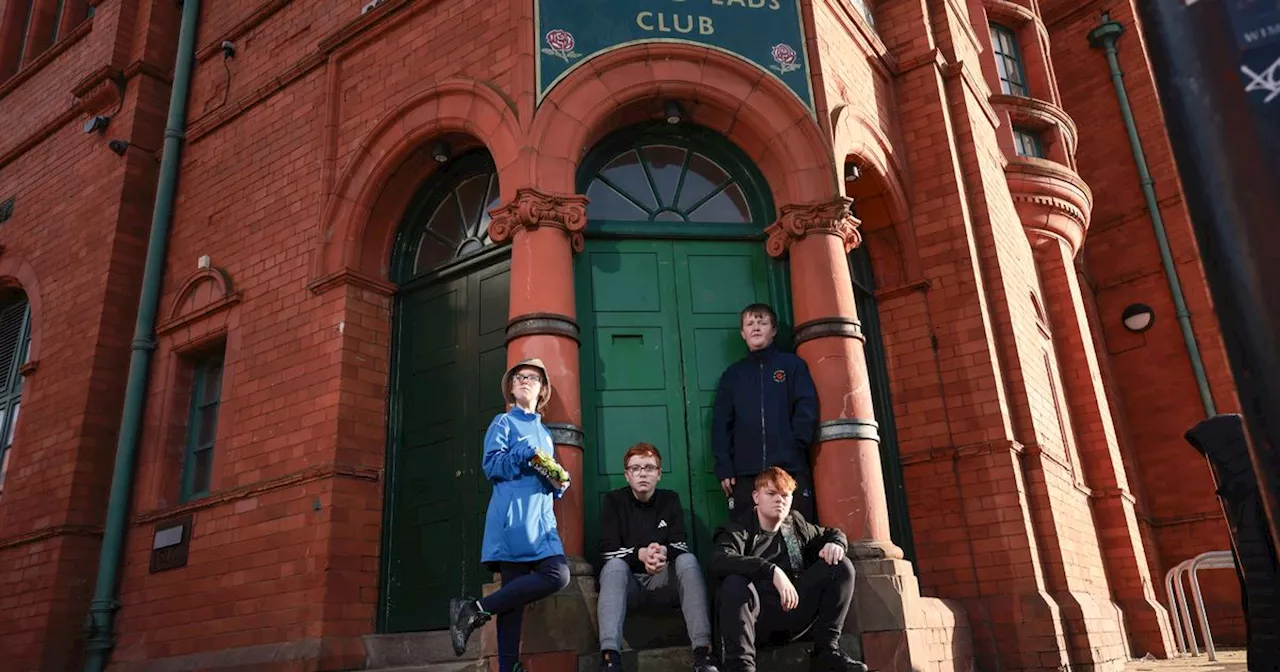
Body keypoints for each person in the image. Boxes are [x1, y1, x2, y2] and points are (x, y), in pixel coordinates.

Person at [449, 358, 571, 672]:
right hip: (514, 519)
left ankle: (473, 610)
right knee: (512, 607)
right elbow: (492, 466)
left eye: (531, 377)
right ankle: (507, 667)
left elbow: (545, 472)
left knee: (558, 575)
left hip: (542, 523)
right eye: (518, 377)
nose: (523, 380)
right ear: (511, 388)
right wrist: (522, 453)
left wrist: (559, 480)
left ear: (542, 388)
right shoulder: (502, 423)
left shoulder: (544, 433)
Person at [711, 467, 866, 672]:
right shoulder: (738, 530)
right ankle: (741, 666)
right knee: (734, 584)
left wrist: (836, 544)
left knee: (841, 565)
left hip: (792, 614)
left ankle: (827, 652)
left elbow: (832, 534)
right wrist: (770, 570)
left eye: (785, 495)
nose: (779, 500)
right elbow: (719, 560)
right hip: (753, 623)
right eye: (771, 493)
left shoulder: (796, 525)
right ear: (756, 497)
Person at [596, 443, 719, 672]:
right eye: (635, 468)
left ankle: (703, 655)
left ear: (659, 474)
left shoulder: (669, 500)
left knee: (688, 560)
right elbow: (606, 551)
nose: (642, 473)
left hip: (664, 581)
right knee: (613, 567)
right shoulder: (613, 502)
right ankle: (610, 658)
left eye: (649, 468)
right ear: (627, 474)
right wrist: (640, 554)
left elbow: (680, 544)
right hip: (629, 583)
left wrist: (663, 553)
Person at [712, 303, 819, 524]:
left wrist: (794, 445)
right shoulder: (733, 375)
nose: (756, 328)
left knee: (796, 532)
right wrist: (724, 465)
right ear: (743, 333)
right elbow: (721, 422)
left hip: (788, 469)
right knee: (747, 535)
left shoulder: (792, 366)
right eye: (750, 324)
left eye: (762, 322)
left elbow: (805, 407)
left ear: (774, 330)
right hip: (745, 473)